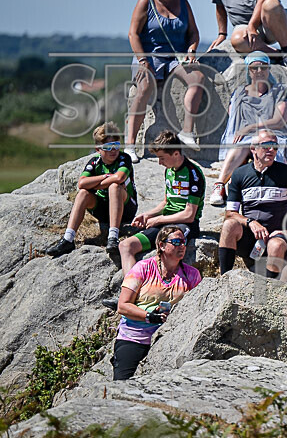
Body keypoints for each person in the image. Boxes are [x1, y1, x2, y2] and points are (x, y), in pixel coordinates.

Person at [127, 0, 205, 159]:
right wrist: (143, 61)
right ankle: (129, 145)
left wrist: (192, 50)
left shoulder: (183, 2)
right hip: (149, 56)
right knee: (143, 89)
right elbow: (133, 34)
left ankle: (187, 132)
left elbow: (194, 33)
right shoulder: (145, 2)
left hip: (175, 58)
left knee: (197, 79)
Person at [112, 225, 202, 380]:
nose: (182, 246)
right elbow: (123, 306)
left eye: (184, 242)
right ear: (161, 245)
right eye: (176, 242)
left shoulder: (192, 275)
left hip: (171, 339)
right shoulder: (143, 268)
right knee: (121, 385)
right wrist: (149, 316)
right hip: (134, 337)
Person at [209, 51, 287, 206]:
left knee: (271, 148)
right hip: (247, 137)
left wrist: (250, 127)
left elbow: (279, 121)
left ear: (269, 69)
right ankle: (219, 186)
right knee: (240, 145)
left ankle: (283, 188)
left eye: (264, 67)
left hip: (272, 134)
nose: (260, 71)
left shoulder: (280, 91)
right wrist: (246, 131)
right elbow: (233, 116)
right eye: (255, 68)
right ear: (249, 70)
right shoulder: (240, 92)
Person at [218, 129, 287, 278]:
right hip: (251, 239)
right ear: (253, 149)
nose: (271, 150)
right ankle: (224, 279)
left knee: (275, 245)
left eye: (275, 146)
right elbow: (230, 213)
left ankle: (270, 291)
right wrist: (250, 222)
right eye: (267, 145)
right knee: (229, 225)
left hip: (278, 238)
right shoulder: (239, 174)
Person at [118, 130, 205, 277]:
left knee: (168, 248)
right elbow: (166, 202)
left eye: (162, 158)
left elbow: (189, 215)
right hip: (165, 221)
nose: (160, 163)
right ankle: (129, 291)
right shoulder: (169, 171)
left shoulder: (193, 174)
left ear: (176, 154)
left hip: (185, 224)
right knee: (126, 246)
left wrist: (158, 219)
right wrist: (147, 215)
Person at [46, 122, 138, 257]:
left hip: (126, 208)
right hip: (102, 208)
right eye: (108, 147)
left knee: (114, 187)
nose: (113, 150)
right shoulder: (94, 162)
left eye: (116, 145)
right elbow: (82, 183)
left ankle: (113, 237)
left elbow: (119, 177)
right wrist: (105, 176)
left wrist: (97, 184)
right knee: (83, 194)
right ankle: (68, 239)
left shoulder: (124, 158)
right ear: (98, 150)